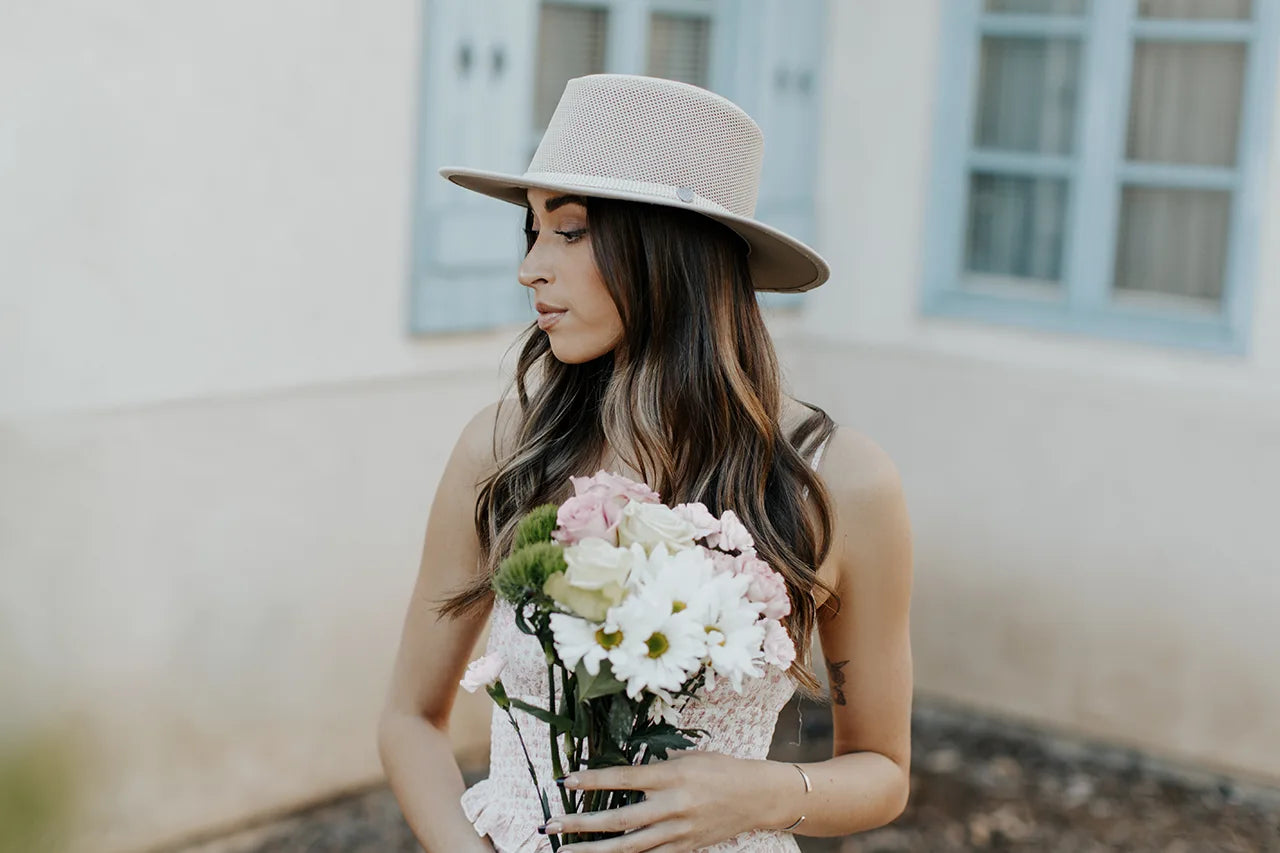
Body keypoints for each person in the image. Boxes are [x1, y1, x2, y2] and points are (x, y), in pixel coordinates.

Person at [377, 73, 914, 853]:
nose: (530, 268)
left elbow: (883, 769)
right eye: (532, 230)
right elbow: (409, 719)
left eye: (569, 231)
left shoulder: (838, 482)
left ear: (670, 251)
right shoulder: (504, 453)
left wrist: (759, 792)